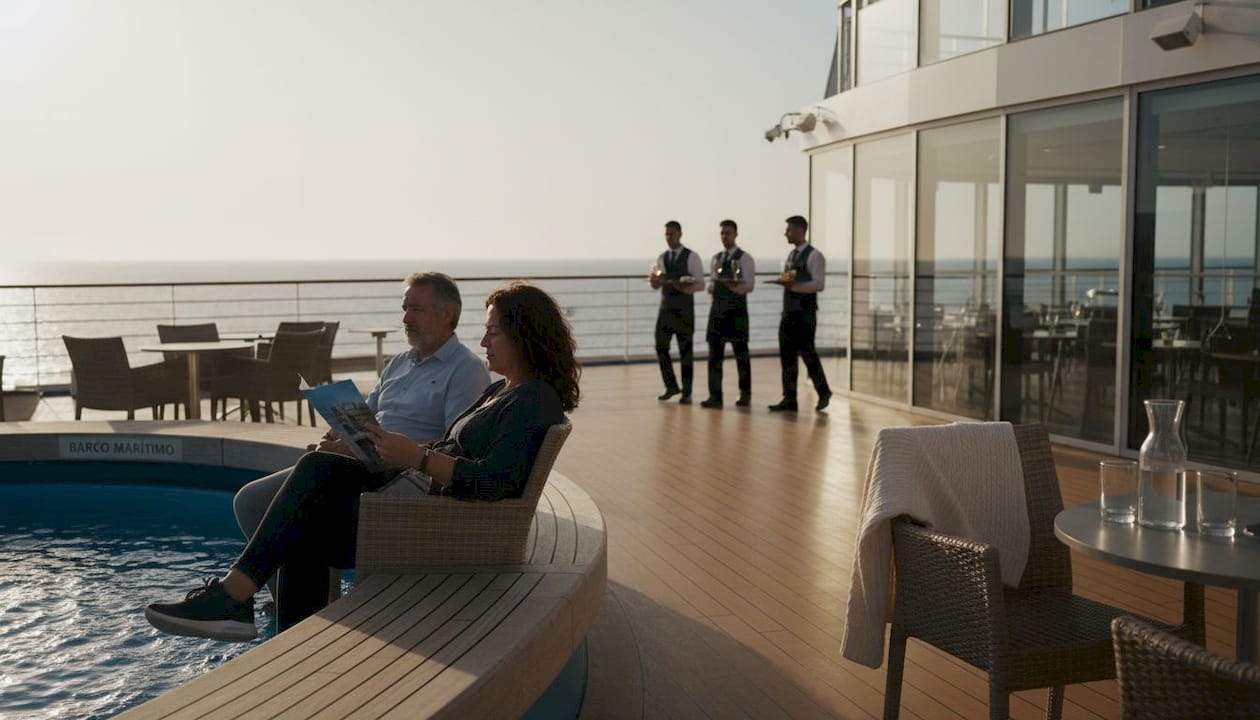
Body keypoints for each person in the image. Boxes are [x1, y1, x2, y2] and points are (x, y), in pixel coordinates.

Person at [144, 282, 581, 641]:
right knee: (311, 490)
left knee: (309, 498)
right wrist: (376, 444)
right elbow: (452, 445)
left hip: (441, 515)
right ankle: (281, 634)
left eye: (494, 333)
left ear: (525, 335)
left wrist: (415, 456)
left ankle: (237, 599)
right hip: (418, 488)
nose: (483, 341)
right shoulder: (503, 390)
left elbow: (495, 482)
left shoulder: (533, 399)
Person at [231, 272, 491, 563]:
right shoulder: (399, 362)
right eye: (405, 308)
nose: (406, 318)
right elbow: (367, 416)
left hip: (402, 474)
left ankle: (245, 585)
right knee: (249, 500)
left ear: (446, 315)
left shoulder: (465, 369)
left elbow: (454, 447)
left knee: (304, 510)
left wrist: (381, 449)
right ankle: (272, 591)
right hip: (360, 462)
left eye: (416, 309)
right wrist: (340, 435)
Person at [769, 216, 832, 412]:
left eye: (788, 230)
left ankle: (823, 391)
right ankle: (789, 398)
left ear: (800, 230)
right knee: (787, 355)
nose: (785, 233)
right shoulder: (791, 255)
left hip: (805, 314)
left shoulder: (815, 256)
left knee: (807, 353)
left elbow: (819, 284)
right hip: (789, 312)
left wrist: (794, 286)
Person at [701, 219, 755, 409]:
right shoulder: (716, 258)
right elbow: (711, 282)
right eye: (722, 233)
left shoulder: (745, 258)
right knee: (714, 355)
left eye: (728, 233)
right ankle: (715, 395)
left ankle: (745, 394)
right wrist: (711, 287)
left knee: (741, 354)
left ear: (736, 234)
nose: (725, 236)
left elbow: (749, 286)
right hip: (717, 311)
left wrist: (730, 286)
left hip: (737, 311)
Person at [650, 220, 704, 404]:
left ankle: (687, 391)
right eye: (666, 234)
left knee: (685, 351)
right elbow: (656, 284)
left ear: (680, 234)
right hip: (665, 310)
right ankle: (671, 385)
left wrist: (684, 287)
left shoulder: (692, 257)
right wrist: (654, 283)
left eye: (671, 234)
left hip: (684, 310)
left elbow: (700, 284)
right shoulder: (662, 257)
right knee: (660, 347)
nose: (668, 237)